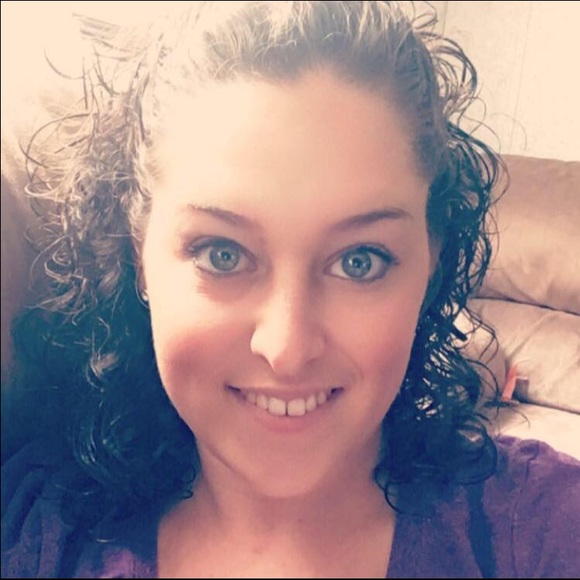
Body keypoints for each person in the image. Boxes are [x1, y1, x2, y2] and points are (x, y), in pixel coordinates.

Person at [2, 1, 579, 577]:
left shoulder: (543, 526)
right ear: (139, 256)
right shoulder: (35, 531)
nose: (287, 348)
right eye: (222, 254)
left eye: (359, 262)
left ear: (430, 262)